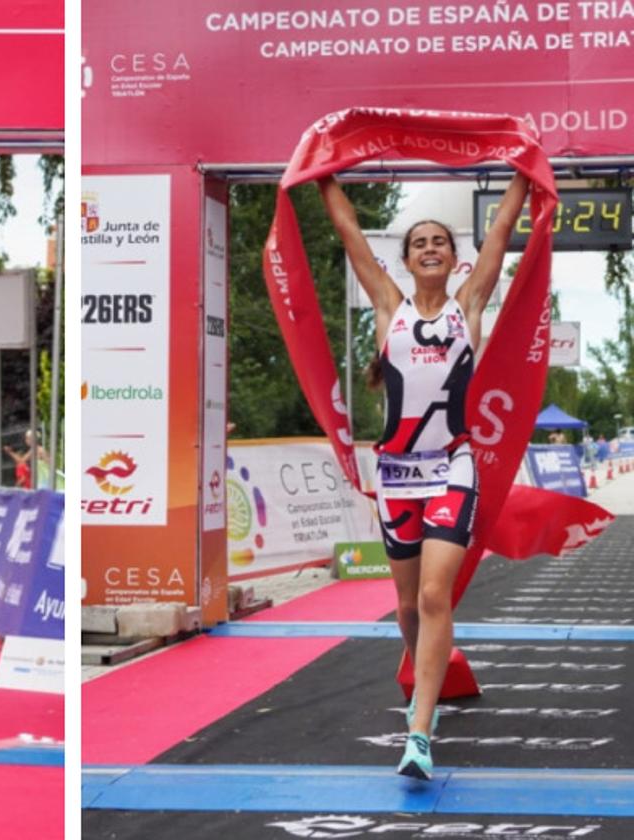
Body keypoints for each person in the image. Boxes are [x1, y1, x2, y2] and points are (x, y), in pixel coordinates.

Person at [320, 171, 531, 781]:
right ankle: (425, 671)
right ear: (408, 260)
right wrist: (322, 176)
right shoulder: (390, 307)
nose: (432, 247)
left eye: (441, 240)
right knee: (409, 607)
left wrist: (520, 173)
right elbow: (349, 231)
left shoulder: (468, 306)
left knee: (437, 595)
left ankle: (419, 729)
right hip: (395, 474)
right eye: (420, 243)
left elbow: (500, 233)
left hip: (451, 469)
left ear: (454, 257)